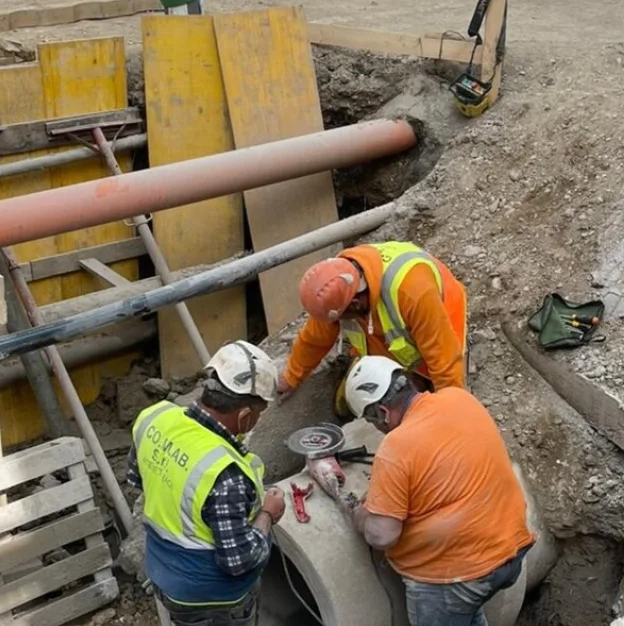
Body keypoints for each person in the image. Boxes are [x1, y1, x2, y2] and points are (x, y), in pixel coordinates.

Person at [342, 356, 535, 626]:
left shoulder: (396, 446)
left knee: (453, 607)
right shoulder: (459, 398)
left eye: (372, 422)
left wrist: (360, 515)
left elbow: (382, 535)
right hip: (510, 550)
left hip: (458, 577)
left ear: (383, 413)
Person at [129, 340, 287, 626]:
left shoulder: (155, 418)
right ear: (244, 416)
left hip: (163, 572)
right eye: (258, 414)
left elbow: (137, 478)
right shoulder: (226, 475)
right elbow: (239, 561)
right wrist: (267, 514)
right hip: (210, 601)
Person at [277, 241, 469, 415]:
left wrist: (449, 412)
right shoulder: (336, 285)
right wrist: (291, 377)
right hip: (387, 330)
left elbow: (444, 363)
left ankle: (417, 382)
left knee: (425, 403)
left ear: (355, 304)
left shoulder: (413, 292)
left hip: (441, 316)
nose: (334, 325)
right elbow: (315, 338)